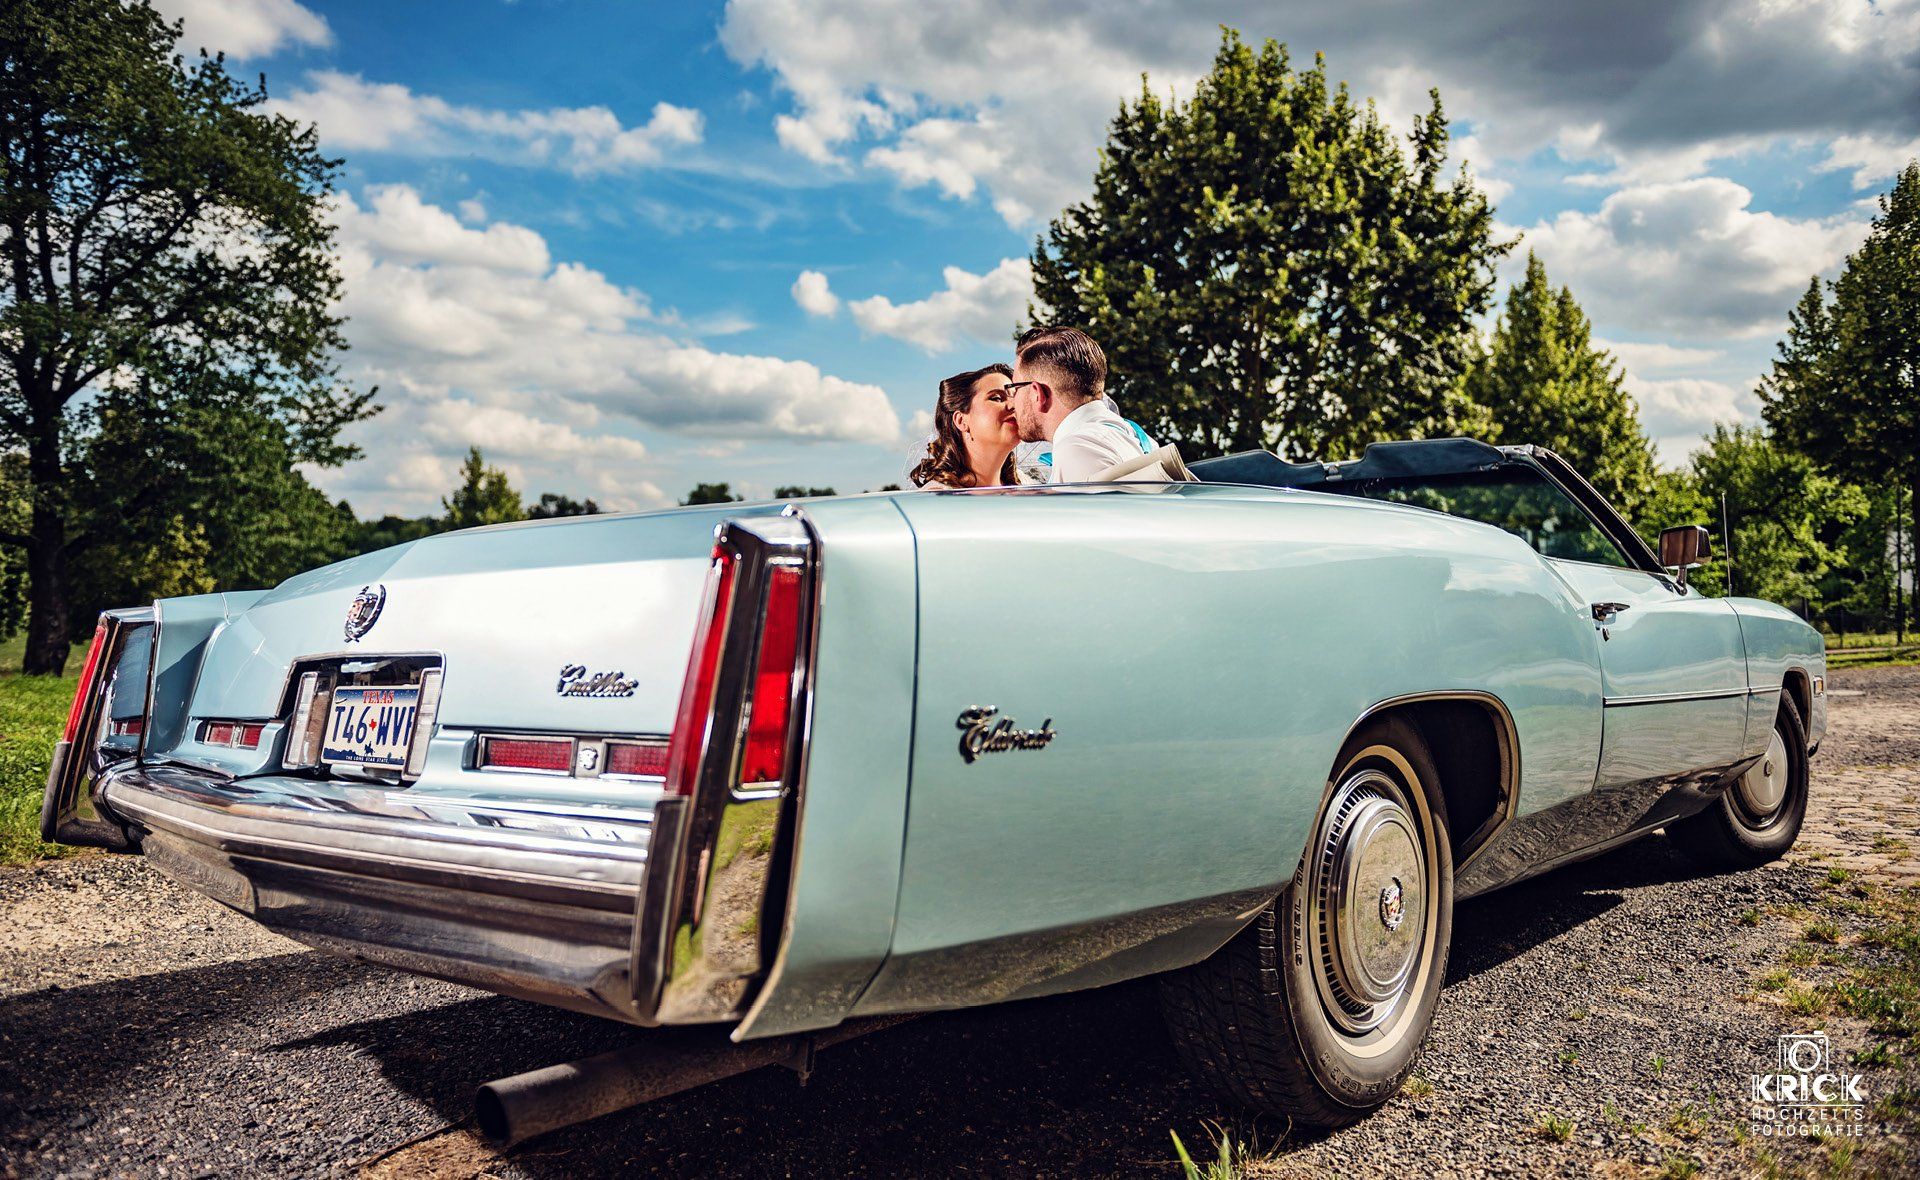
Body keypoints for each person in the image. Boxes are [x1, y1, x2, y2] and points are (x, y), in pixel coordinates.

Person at [1006, 325, 1155, 482]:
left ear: (1037, 394)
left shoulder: (1079, 450)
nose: (1012, 402)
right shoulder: (1135, 437)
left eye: (1015, 388)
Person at [907, 363, 1021, 490]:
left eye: (1016, 398)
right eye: (997, 398)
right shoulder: (939, 496)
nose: (1014, 405)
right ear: (961, 421)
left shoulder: (1027, 486)